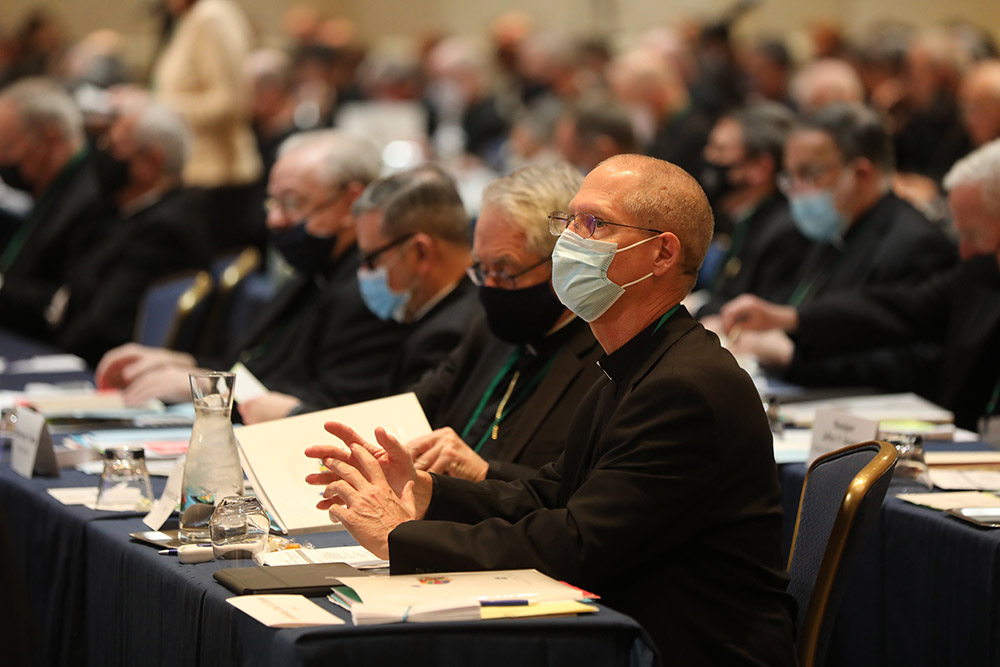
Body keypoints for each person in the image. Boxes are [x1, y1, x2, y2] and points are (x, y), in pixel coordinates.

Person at [305, 154, 797, 664]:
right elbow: (548, 495)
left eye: (595, 224)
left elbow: (577, 545)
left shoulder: (684, 387)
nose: (568, 242)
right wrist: (426, 492)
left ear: (661, 253)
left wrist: (401, 539)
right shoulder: (636, 362)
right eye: (569, 222)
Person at [96, 130, 406, 414]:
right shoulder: (315, 271)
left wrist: (207, 387)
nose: (275, 220)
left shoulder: (370, 288)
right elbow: (257, 367)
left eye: (292, 202)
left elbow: (321, 409)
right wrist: (183, 364)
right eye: (273, 203)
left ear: (351, 202)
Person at [720, 138, 1000, 432]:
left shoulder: (914, 241)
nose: (964, 252)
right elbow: (898, 307)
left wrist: (792, 354)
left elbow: (913, 363)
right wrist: (789, 318)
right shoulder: (977, 270)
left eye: (973, 235)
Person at [406, 162, 605, 482]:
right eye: (482, 269)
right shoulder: (489, 328)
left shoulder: (604, 362)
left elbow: (575, 496)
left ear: (564, 264)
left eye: (504, 271)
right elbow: (412, 407)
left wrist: (483, 473)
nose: (488, 287)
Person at [241, 165, 483, 422]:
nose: (362, 273)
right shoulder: (440, 310)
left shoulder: (450, 333)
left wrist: (293, 415)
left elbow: (402, 434)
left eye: (370, 259)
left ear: (420, 253)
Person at [48, 100, 211, 365]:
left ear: (151, 161)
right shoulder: (125, 210)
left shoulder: (166, 230)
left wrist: (48, 343)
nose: (103, 156)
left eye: (114, 148)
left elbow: (105, 325)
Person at [772, 103, 956, 309]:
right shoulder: (835, 229)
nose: (796, 190)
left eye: (810, 174)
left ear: (862, 174)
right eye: (791, 176)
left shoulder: (915, 247)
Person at [0, 77, 111, 340]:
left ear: (50, 137)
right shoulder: (55, 187)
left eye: (8, 147)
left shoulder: (92, 199)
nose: (4, 160)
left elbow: (61, 303)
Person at [153, 0, 263, 252]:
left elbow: (230, 103)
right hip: (199, 172)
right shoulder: (193, 19)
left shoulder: (211, 18)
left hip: (216, 174)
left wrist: (157, 110)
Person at [695, 102, 810, 319]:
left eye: (720, 150)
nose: (708, 157)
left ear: (760, 167)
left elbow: (753, 312)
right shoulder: (745, 217)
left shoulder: (786, 232)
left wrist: (697, 308)